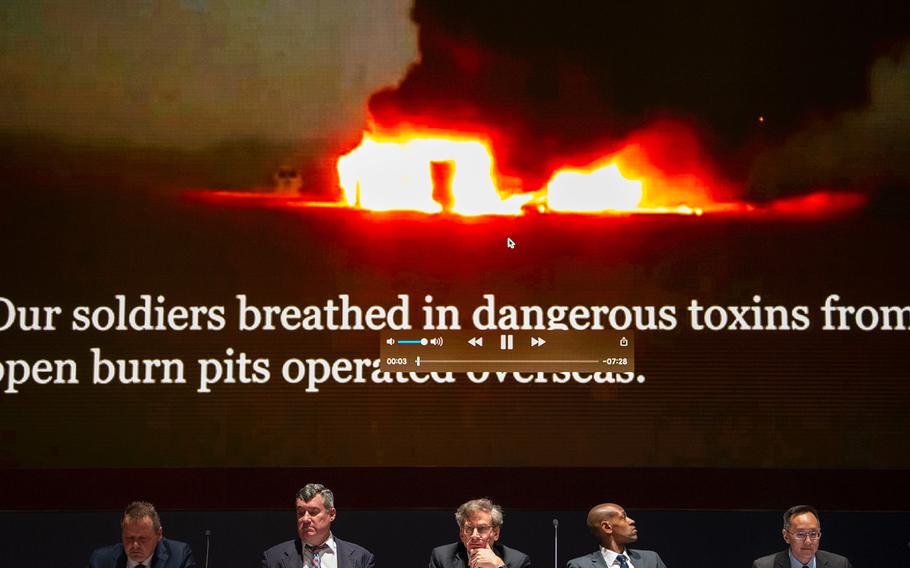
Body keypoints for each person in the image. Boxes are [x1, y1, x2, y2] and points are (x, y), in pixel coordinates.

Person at [262, 483, 375, 568]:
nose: (305, 519)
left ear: (331, 514)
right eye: (301, 513)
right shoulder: (273, 558)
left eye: (313, 512)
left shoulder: (361, 559)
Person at [87, 501, 196, 568]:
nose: (135, 545)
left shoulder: (178, 556)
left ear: (159, 534)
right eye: (129, 538)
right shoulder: (101, 561)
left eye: (142, 539)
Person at [429, 498, 530, 568]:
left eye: (482, 528)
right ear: (462, 534)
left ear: (495, 533)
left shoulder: (517, 561)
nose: (474, 535)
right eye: (469, 528)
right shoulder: (442, 557)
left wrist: (498, 566)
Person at [567, 503, 666, 568]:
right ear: (607, 527)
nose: (631, 521)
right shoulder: (580, 566)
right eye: (623, 517)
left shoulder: (652, 560)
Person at [752, 505, 852, 568]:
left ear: (819, 534)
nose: (808, 541)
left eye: (813, 534)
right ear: (786, 536)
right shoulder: (764, 566)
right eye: (800, 534)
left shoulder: (840, 564)